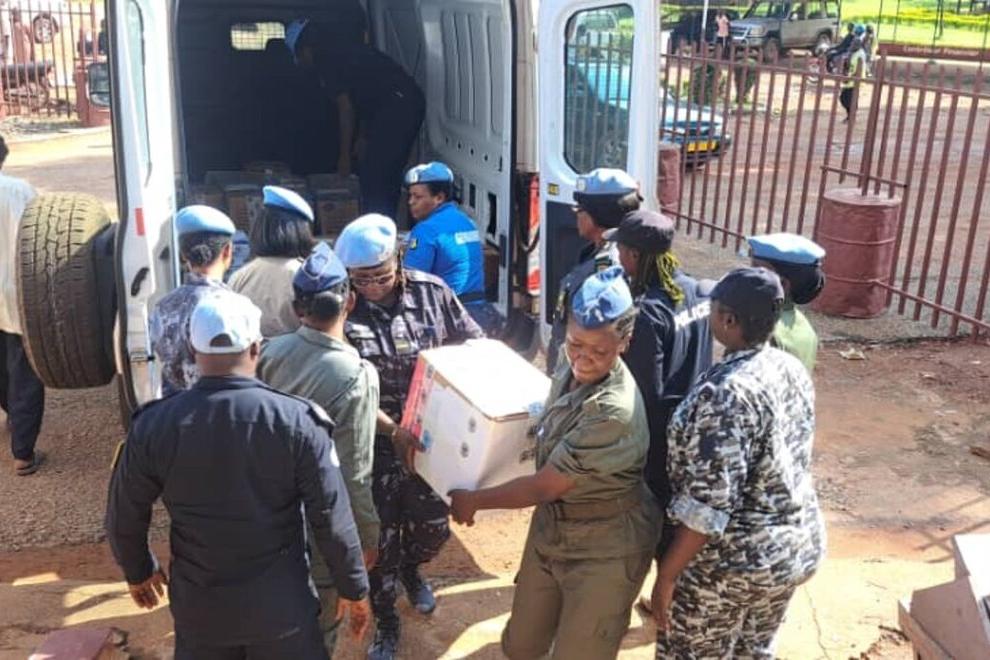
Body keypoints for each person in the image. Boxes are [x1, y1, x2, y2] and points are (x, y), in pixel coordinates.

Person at [105, 290, 372, 659]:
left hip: (201, 613)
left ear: (192, 349)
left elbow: (124, 512)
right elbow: (331, 517)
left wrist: (138, 570)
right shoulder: (298, 422)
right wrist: (353, 587)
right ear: (256, 348)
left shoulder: (154, 425)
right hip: (282, 611)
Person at [449, 266, 662, 660]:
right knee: (521, 645)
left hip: (606, 545)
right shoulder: (569, 364)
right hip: (553, 527)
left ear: (625, 343)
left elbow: (545, 485)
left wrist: (475, 500)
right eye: (575, 343)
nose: (584, 359)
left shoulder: (613, 410)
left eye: (599, 351)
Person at [651, 267, 826, 658]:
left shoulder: (726, 394)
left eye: (714, 309)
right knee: (753, 651)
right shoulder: (788, 367)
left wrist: (667, 576)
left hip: (732, 565)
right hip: (790, 551)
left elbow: (707, 508)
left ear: (728, 321)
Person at [336, 213, 484, 660]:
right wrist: (391, 429)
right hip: (373, 446)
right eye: (361, 279)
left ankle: (413, 569)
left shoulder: (432, 293)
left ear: (399, 261)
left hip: (430, 442)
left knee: (432, 529)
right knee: (378, 541)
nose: (371, 287)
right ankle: (386, 620)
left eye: (380, 276)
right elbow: (344, 386)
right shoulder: (341, 306)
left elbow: (472, 345)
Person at [258, 242, 381, 655]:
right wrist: (367, 537)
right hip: (321, 534)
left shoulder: (268, 352)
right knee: (319, 631)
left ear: (298, 308)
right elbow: (355, 473)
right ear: (350, 301)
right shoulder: (357, 375)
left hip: (268, 521)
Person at [606, 211, 712, 577]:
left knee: (658, 519)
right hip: (694, 423)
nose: (619, 257)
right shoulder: (696, 291)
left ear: (635, 255)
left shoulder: (649, 312)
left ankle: (665, 591)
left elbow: (644, 392)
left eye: (621, 250)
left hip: (661, 437)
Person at [286, 18, 426, 218]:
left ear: (305, 49)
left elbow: (346, 108)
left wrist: (344, 156)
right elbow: (366, 96)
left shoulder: (326, 60)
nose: (302, 63)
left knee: (376, 174)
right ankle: (385, 217)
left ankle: (379, 224)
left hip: (399, 105)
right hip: (403, 102)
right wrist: (362, 136)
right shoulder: (344, 50)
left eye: (299, 57)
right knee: (382, 170)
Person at [546, 168, 641, 375]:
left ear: (599, 215)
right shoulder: (594, 252)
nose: (575, 215)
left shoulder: (609, 269)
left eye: (580, 209)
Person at [402, 161, 499, 333]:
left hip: (449, 318)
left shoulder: (426, 230)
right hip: (479, 314)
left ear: (439, 198)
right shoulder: (467, 223)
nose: (411, 202)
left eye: (418, 197)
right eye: (410, 196)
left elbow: (410, 281)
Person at [149, 205, 235, 394]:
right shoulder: (234, 306)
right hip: (220, 403)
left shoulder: (162, 307)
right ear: (227, 251)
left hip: (173, 405)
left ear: (182, 255)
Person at [0, 134, 46, 476]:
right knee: (25, 368)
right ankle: (23, 452)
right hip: (17, 291)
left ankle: (13, 414)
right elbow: (42, 240)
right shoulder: (20, 190)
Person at [229, 185, 317, 337]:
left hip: (253, 351)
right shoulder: (304, 274)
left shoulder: (239, 277)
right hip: (299, 351)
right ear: (300, 231)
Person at [748, 232, 826, 373]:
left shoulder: (763, 331)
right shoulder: (804, 325)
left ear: (782, 284)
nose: (746, 277)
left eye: (756, 271)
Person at [840, 36, 867, 122]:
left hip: (856, 80)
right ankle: (850, 116)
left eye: (854, 44)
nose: (852, 45)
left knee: (849, 99)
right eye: (852, 43)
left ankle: (851, 117)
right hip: (850, 78)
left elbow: (859, 69)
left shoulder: (860, 54)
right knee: (844, 98)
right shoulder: (853, 52)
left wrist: (849, 78)